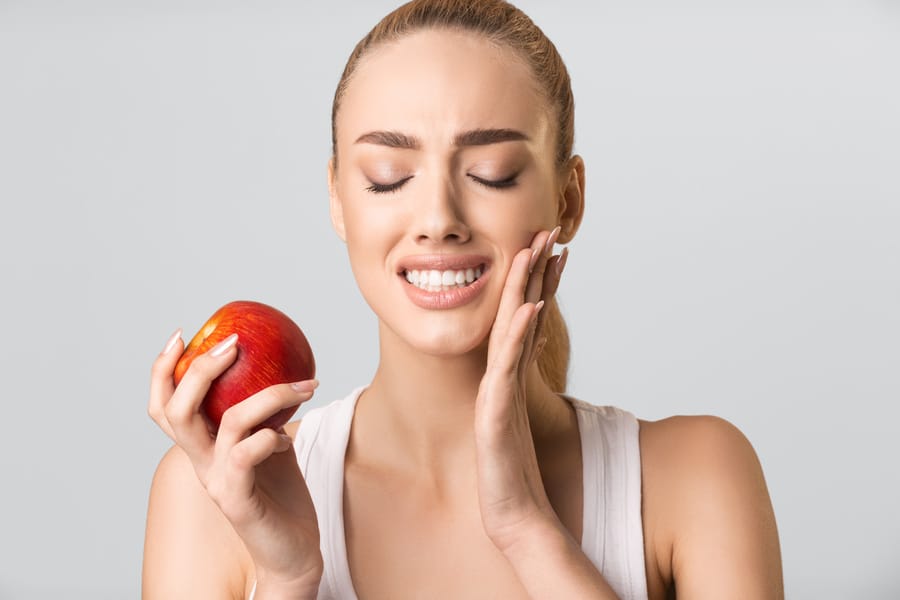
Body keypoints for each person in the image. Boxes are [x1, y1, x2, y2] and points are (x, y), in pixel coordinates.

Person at [143, 1, 784, 598]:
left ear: (569, 200)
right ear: (338, 198)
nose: (438, 218)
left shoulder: (696, 478)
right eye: (388, 178)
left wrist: (527, 526)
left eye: (491, 174)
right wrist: (286, 576)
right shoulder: (214, 497)